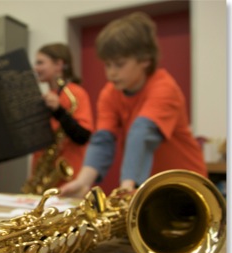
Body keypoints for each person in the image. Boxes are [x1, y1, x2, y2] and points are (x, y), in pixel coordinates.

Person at [59, 12, 207, 198]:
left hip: (188, 183)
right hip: (152, 186)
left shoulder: (164, 87)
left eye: (119, 64)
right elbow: (103, 139)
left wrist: (127, 186)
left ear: (145, 59)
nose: (111, 73)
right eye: (107, 65)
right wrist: (83, 181)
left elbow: (141, 133)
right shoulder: (110, 93)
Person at [29, 43, 94, 187]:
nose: (36, 68)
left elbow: (82, 136)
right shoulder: (44, 98)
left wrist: (59, 110)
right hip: (42, 178)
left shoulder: (76, 94)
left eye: (40, 63)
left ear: (58, 64)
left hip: (69, 180)